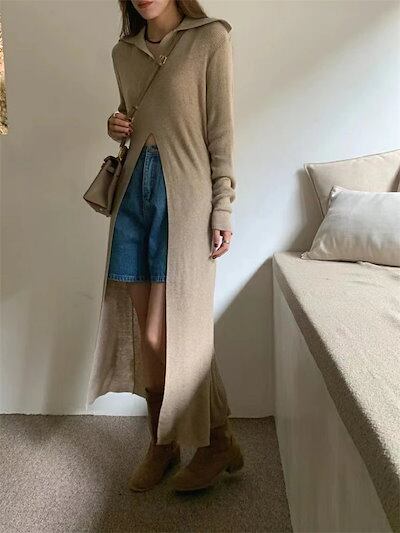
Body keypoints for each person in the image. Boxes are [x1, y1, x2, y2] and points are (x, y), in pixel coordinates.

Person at [86, 0, 243, 492]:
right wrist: (116, 124)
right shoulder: (124, 52)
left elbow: (221, 133)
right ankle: (163, 443)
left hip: (186, 204)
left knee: (168, 332)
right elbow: (136, 117)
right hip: (133, 200)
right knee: (147, 333)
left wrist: (223, 207)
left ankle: (215, 440)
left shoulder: (210, 39)